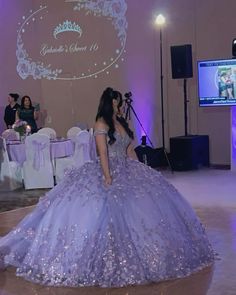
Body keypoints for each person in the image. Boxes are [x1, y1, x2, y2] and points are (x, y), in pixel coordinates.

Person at [0, 87, 214, 288]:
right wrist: (108, 176)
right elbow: (103, 153)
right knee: (103, 211)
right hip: (107, 168)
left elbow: (129, 149)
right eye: (116, 103)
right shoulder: (101, 124)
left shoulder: (120, 121)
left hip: (127, 169)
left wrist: (141, 169)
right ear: (108, 104)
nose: (119, 107)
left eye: (119, 103)